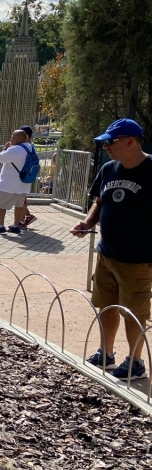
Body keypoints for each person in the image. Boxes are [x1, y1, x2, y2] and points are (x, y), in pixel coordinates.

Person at [71, 118, 152, 380]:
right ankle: (106, 353)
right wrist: (87, 222)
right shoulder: (108, 169)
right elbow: (99, 201)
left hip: (138, 260)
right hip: (106, 255)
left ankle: (136, 362)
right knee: (106, 306)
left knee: (134, 312)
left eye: (111, 141)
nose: (106, 146)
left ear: (130, 141)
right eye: (104, 142)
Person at [0, 129, 32, 234]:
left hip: (9, 183)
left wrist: (6, 148)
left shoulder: (14, 149)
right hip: (24, 183)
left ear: (18, 138)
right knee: (19, 205)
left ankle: (0, 226)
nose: (11, 138)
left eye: (13, 136)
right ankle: (15, 225)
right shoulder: (30, 148)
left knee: (1, 204)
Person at [19, 126, 38, 227]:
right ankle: (28, 216)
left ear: (26, 136)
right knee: (20, 198)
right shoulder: (29, 146)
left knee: (22, 198)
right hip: (25, 174)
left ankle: (21, 220)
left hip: (25, 174)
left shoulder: (28, 146)